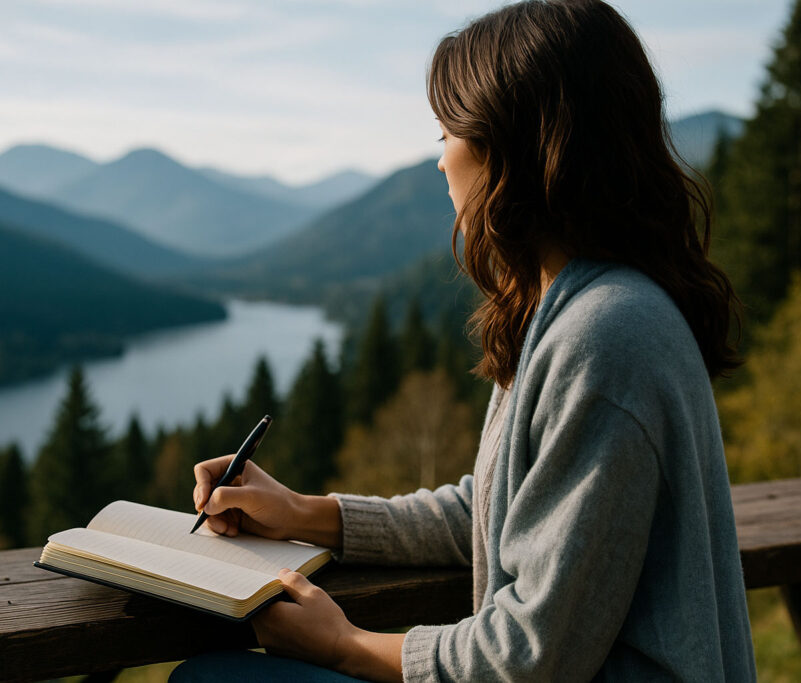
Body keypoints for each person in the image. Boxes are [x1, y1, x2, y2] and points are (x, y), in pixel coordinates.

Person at [171, 0, 756, 680]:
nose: (440, 162)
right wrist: (307, 513)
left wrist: (343, 643)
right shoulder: (578, 310)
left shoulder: (606, 333)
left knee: (216, 677)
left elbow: (534, 657)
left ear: (511, 146)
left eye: (447, 132)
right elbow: (503, 512)